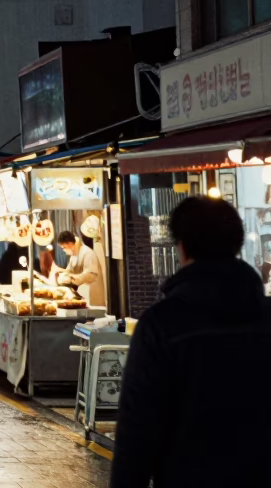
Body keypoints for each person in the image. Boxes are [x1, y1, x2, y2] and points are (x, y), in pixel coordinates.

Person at [110, 196, 271, 488]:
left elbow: (136, 432)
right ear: (237, 243)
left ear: (181, 247)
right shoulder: (265, 316)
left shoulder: (162, 324)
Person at [56, 230, 106, 307]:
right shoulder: (74, 254)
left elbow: (90, 275)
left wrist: (71, 278)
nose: (64, 250)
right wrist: (63, 275)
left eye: (64, 247)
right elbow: (69, 270)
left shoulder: (87, 253)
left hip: (92, 296)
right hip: (82, 294)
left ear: (70, 244)